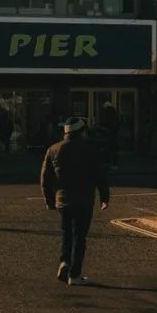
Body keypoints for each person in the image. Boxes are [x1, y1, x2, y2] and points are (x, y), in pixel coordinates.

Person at [40, 117, 110, 285]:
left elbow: (45, 178)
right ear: (81, 132)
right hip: (84, 199)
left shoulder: (53, 149)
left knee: (67, 233)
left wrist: (49, 200)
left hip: (63, 200)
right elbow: (100, 175)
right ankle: (75, 275)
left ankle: (65, 262)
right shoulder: (90, 150)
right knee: (79, 237)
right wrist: (104, 197)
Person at [98, 101, 120, 169]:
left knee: (107, 149)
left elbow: (106, 122)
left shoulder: (107, 112)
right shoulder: (115, 113)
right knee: (114, 150)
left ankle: (107, 163)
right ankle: (114, 164)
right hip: (114, 134)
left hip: (108, 134)